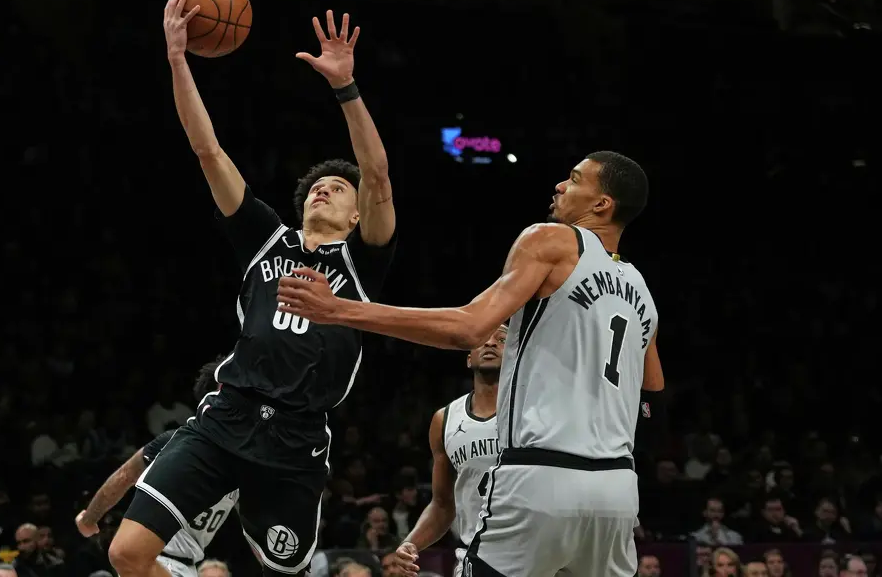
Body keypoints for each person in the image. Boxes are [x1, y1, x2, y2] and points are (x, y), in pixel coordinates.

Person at [108, 0, 397, 577]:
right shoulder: (266, 238)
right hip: (225, 418)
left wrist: (345, 88)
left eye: (338, 190)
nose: (325, 189)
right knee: (127, 553)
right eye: (319, 185)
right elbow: (207, 149)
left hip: (295, 441)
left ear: (358, 214)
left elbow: (377, 172)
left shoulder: (363, 261)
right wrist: (177, 61)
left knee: (282, 570)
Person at [278, 151, 665, 577]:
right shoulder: (640, 290)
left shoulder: (551, 240)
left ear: (601, 205)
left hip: (542, 474)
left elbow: (467, 328)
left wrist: (339, 309)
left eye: (573, 180)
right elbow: (652, 391)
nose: (559, 186)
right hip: (618, 490)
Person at [77, 358, 236, 577]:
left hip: (180, 567)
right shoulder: (239, 461)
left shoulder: (236, 458)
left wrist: (89, 520)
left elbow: (124, 475)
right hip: (156, 560)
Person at [390, 326, 507, 577]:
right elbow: (443, 504)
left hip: (531, 551)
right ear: (468, 359)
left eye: (502, 339)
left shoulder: (534, 412)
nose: (490, 343)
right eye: (482, 338)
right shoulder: (445, 420)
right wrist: (411, 543)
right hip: (475, 555)